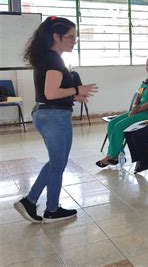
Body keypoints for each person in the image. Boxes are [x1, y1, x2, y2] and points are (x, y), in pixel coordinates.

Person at [14, 16, 98, 223]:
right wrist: (78, 89)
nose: (74, 41)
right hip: (54, 117)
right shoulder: (53, 59)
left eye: (74, 37)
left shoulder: (49, 58)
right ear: (56, 36)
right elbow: (51, 93)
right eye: (70, 37)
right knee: (58, 164)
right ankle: (41, 205)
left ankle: (43, 205)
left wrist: (73, 96)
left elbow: (51, 93)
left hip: (48, 114)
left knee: (56, 162)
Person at [96, 55, 148, 168]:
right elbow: (138, 96)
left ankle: (111, 156)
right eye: (147, 64)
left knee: (119, 126)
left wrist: (137, 109)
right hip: (137, 110)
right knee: (112, 123)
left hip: (147, 113)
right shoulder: (145, 81)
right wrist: (135, 106)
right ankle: (118, 155)